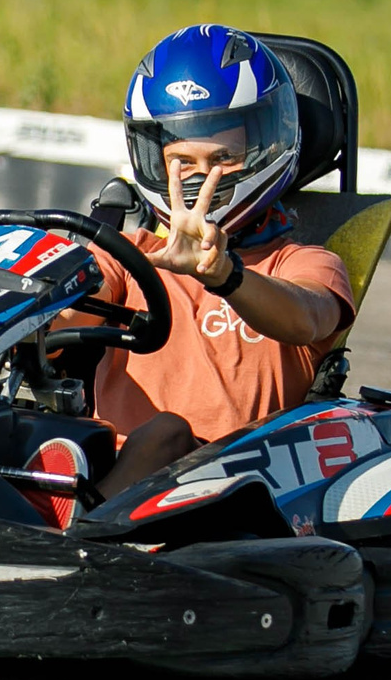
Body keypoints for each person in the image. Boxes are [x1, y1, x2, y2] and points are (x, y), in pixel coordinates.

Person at [68, 25, 355, 503]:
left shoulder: (306, 263)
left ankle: (73, 540)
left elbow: (308, 318)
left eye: (222, 157)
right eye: (182, 160)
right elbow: (69, 309)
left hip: (235, 491)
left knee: (167, 433)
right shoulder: (127, 253)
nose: (201, 178)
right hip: (106, 467)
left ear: (266, 148)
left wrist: (225, 275)